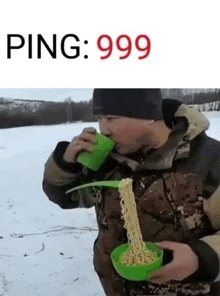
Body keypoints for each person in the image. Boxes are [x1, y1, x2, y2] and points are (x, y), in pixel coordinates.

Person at [43, 89, 220, 296]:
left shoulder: (209, 161)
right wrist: (65, 165)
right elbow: (66, 196)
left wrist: (203, 258)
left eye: (111, 118)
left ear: (149, 117)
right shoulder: (109, 160)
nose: (104, 129)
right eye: (100, 118)